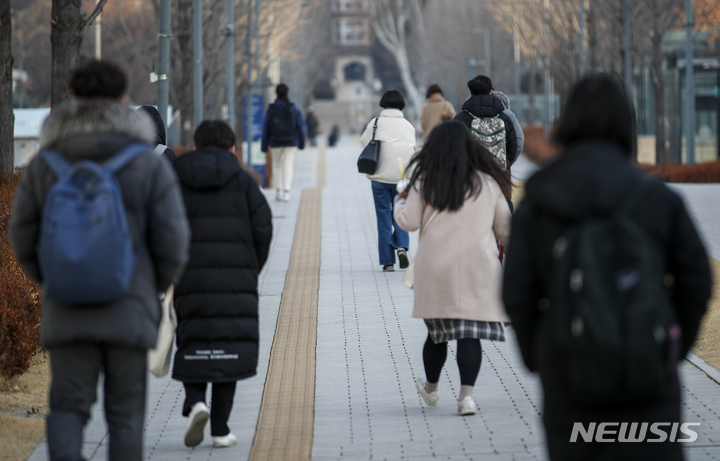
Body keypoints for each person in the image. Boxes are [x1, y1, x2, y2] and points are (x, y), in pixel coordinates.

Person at [502, 74, 712, 461]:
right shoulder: (657, 198)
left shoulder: (540, 202)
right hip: (648, 371)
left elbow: (517, 291)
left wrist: (543, 353)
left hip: (569, 373)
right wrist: (671, 344)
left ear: (566, 122)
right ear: (627, 124)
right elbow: (697, 280)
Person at [9, 60, 190, 461]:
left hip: (68, 307)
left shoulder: (47, 164)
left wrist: (55, 278)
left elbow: (21, 234)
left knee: (69, 409)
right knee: (125, 416)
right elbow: (174, 239)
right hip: (130, 308)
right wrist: (152, 286)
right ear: (123, 100)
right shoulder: (146, 162)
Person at [394, 120, 512, 416]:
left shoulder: (425, 181)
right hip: (478, 267)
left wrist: (400, 199)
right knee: (469, 333)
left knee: (438, 333)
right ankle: (467, 398)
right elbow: (506, 231)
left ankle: (432, 389)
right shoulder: (487, 183)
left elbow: (407, 222)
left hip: (436, 270)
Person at [172, 120, 273, 449]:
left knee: (193, 339)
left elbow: (162, 226)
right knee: (230, 348)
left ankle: (196, 402)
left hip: (188, 276)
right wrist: (250, 268)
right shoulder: (244, 182)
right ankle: (219, 429)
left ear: (196, 146)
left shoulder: (176, 180)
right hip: (236, 278)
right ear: (233, 148)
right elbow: (263, 228)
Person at [360, 89, 415, 272]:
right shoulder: (408, 126)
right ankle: (401, 247)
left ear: (383, 104)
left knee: (383, 218)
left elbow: (364, 142)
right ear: (402, 105)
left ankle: (387, 262)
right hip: (401, 178)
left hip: (379, 178)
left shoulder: (375, 123)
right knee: (399, 214)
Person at [455, 75, 518, 168]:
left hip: (470, 175)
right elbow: (513, 147)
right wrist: (505, 164)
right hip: (499, 175)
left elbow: (454, 148)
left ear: (471, 94)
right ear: (491, 92)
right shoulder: (505, 118)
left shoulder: (460, 119)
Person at [261, 83, 305, 202]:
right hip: (291, 142)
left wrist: (264, 146)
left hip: (275, 142)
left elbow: (266, 128)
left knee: (276, 165)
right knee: (288, 165)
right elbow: (300, 126)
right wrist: (302, 142)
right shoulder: (293, 108)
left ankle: (278, 191)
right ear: (287, 93)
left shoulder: (271, 109)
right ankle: (287, 191)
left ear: (276, 93)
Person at [492, 91, 524, 163]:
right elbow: (519, 141)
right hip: (500, 167)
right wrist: (507, 163)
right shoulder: (508, 115)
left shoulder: (466, 113)